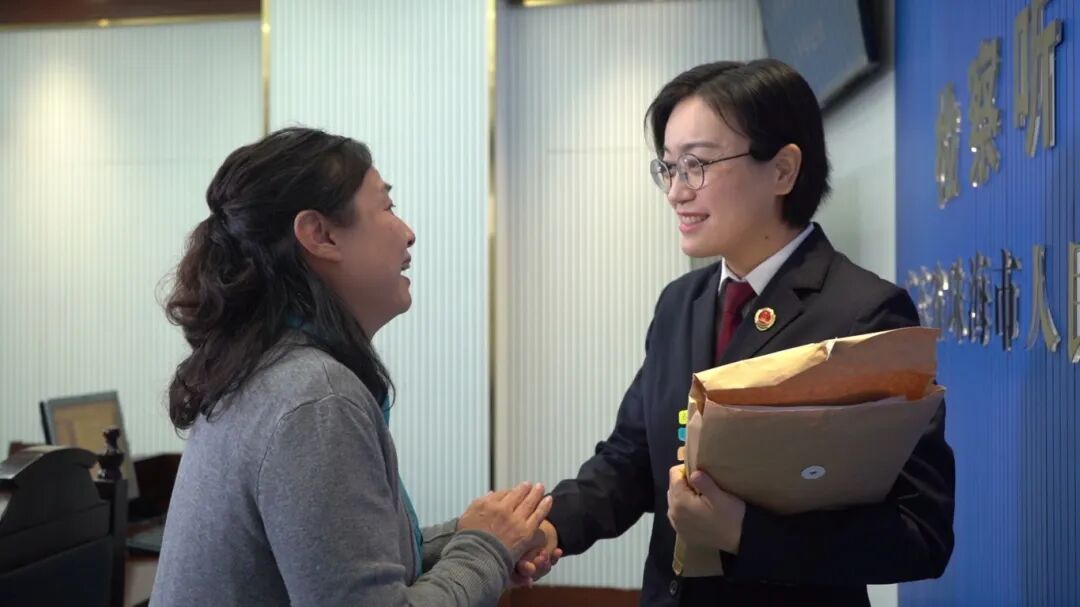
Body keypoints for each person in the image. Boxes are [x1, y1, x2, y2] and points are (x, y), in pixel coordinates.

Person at [535, 59, 956, 606]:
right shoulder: (679, 303)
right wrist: (549, 528)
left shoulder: (864, 314)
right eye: (669, 167)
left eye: (697, 165)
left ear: (782, 170)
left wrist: (743, 534)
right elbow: (632, 459)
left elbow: (919, 534)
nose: (676, 192)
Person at [151, 127, 555, 606]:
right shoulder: (315, 399)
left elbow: (343, 570)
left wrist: (487, 536)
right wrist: (486, 547)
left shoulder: (270, 372)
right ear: (320, 235)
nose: (408, 232)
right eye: (387, 207)